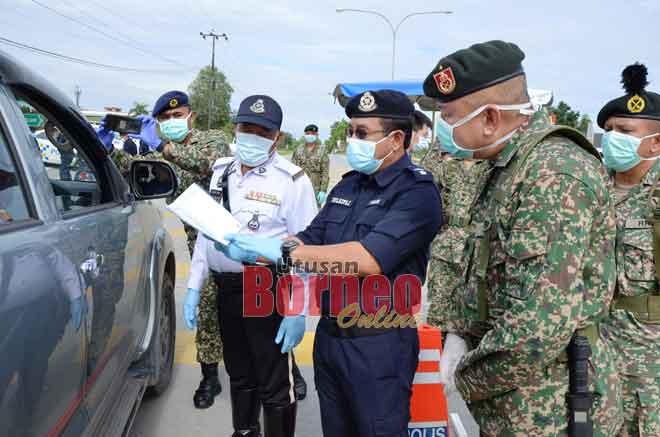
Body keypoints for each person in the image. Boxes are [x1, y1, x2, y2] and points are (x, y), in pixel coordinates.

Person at [422, 40, 622, 436]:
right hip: (516, 406)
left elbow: (536, 329)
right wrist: (460, 333)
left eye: (449, 116)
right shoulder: (505, 166)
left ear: (492, 118)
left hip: (553, 411)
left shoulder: (553, 173)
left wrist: (464, 376)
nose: (443, 128)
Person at [223, 90, 443, 436]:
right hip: (329, 340)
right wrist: (260, 249)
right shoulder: (349, 186)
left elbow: (368, 259)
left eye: (361, 133)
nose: (351, 140)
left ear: (396, 139)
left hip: (379, 345)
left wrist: (283, 253)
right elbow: (311, 237)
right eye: (349, 131)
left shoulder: (416, 193)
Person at [185, 95, 317, 436]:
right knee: (239, 373)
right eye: (246, 128)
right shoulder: (220, 173)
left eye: (262, 131)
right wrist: (193, 286)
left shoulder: (292, 181)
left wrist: (297, 309)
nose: (252, 136)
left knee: (274, 382)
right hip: (227, 288)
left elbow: (307, 250)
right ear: (235, 128)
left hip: (267, 289)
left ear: (277, 137)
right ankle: (244, 431)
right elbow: (206, 232)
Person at [95, 91, 231, 409]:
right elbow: (135, 169)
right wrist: (106, 149)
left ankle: (278, 372)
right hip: (201, 244)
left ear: (191, 116)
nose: (172, 122)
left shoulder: (212, 140)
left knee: (252, 314)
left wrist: (161, 144)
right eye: (165, 119)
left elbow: (206, 164)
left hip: (238, 240)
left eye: (177, 115)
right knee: (208, 312)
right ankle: (209, 377)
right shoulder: (160, 156)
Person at [597, 63, 660, 437]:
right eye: (608, 131)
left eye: (624, 131)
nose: (611, 139)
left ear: (656, 142)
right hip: (592, 352)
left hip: (648, 365)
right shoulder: (589, 191)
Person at [291, 123, 329, 206]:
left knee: (314, 214)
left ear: (317, 135)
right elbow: (292, 169)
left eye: (313, 134)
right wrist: (291, 185)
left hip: (315, 190)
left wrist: (323, 190)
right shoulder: (298, 149)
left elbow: (325, 173)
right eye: (308, 134)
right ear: (305, 135)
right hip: (299, 187)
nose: (310, 136)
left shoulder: (322, 151)